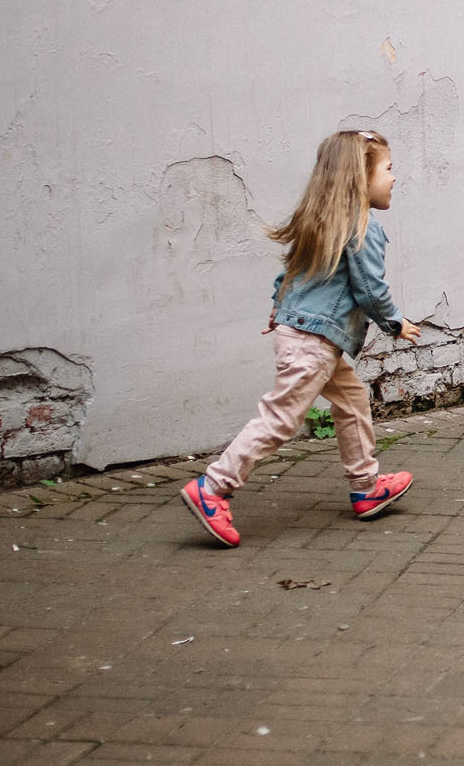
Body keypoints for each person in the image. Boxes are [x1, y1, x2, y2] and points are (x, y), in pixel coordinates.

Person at [180, 129, 420, 547]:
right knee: (280, 418)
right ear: (359, 178)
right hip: (315, 342)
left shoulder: (323, 219)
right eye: (388, 168)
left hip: (305, 333)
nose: (394, 177)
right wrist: (395, 322)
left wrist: (280, 309)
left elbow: (293, 272)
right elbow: (369, 287)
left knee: (352, 399)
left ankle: (366, 487)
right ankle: (213, 487)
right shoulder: (363, 227)